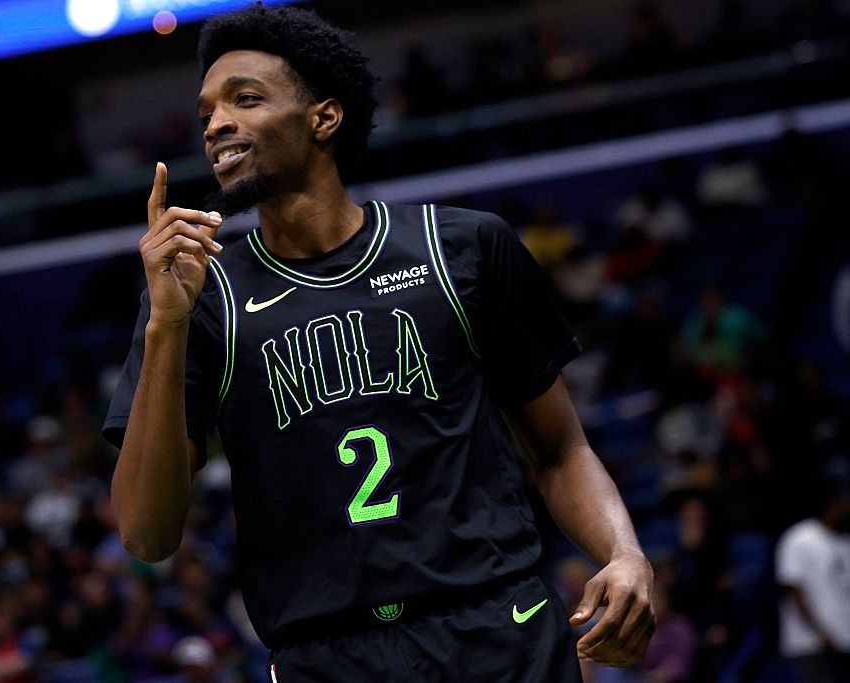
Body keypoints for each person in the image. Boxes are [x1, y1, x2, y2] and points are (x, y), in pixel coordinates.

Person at [104, 5, 655, 681]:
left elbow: (561, 448)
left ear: (323, 118)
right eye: (207, 114)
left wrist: (624, 552)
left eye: (245, 100)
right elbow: (146, 534)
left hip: (497, 632)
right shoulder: (199, 299)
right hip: (327, 658)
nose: (217, 124)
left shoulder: (462, 249)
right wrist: (164, 326)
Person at [775, 481, 850, 683]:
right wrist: (821, 633)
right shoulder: (801, 537)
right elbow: (793, 588)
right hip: (809, 645)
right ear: (833, 503)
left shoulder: (844, 542)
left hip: (842, 642)